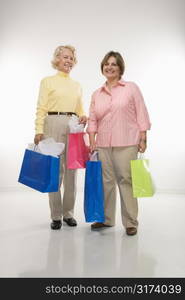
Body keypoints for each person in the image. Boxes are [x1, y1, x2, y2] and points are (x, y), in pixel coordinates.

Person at [87, 51, 151, 236]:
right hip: (104, 143)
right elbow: (92, 119)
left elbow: (141, 112)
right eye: (107, 64)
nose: (110, 67)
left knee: (126, 180)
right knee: (106, 181)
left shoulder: (131, 88)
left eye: (114, 64)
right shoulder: (97, 94)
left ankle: (131, 222)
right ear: (102, 67)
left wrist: (143, 136)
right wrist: (92, 140)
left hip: (127, 141)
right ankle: (106, 219)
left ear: (120, 67)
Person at [34, 45, 87, 230]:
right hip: (52, 123)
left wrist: (83, 116)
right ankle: (56, 215)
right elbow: (41, 108)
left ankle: (68, 213)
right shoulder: (47, 81)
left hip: (72, 125)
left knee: (72, 170)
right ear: (57, 59)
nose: (68, 61)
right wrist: (38, 130)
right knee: (54, 171)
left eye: (71, 58)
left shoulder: (77, 85)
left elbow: (80, 109)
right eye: (65, 57)